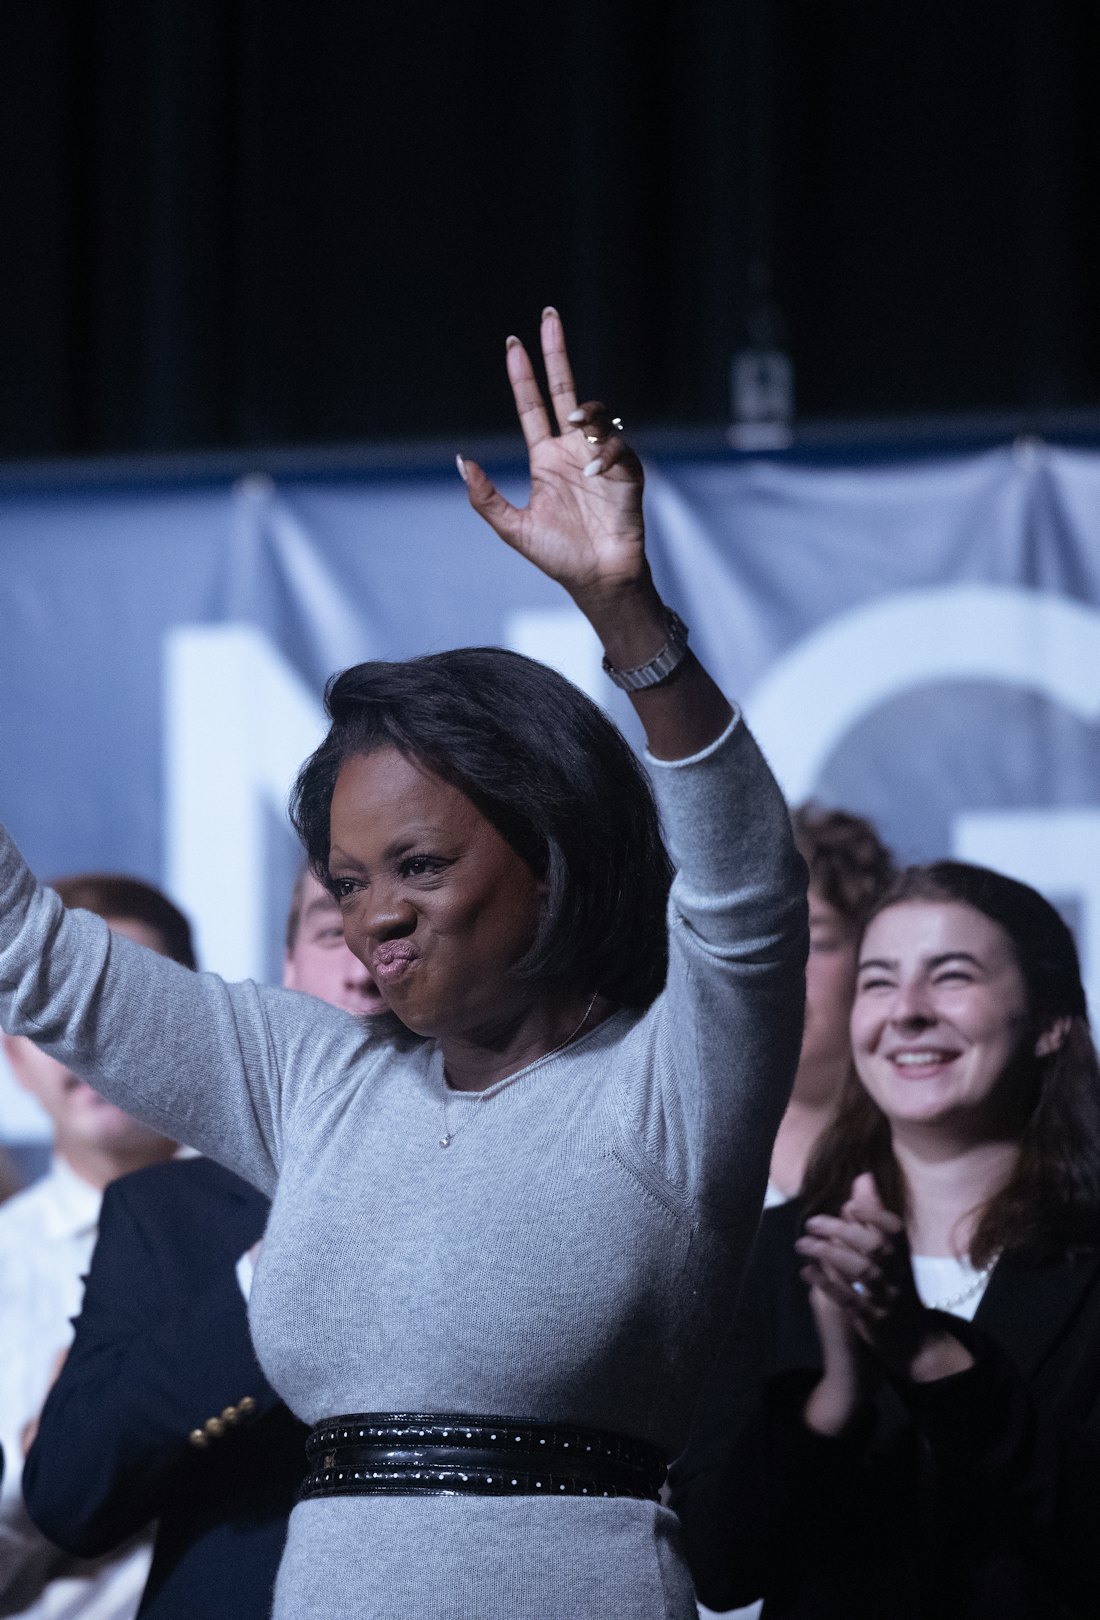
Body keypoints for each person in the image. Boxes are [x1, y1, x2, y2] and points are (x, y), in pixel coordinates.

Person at [0, 308, 808, 1620]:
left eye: (421, 868)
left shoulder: (672, 1085)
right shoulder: (319, 1084)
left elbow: (748, 893)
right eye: (349, 881)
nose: (377, 916)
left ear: (551, 854)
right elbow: (35, 959)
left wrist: (629, 621)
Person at [670, 860, 1100, 1619]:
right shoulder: (765, 1257)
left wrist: (927, 1356)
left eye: (952, 976)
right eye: (878, 981)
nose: (906, 1012)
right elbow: (720, 1564)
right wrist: (836, 1400)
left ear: (1050, 1020)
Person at [23, 870, 386, 1620]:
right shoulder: (167, 1215)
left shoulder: (577, 1174)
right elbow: (68, 1493)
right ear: (286, 969)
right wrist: (263, 1280)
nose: (366, 963)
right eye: (332, 929)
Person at [0, 875, 193, 1620]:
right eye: (48, 1007)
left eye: (124, 998)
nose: (87, 1034)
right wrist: (40, 1458)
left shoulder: (286, 1231)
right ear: (15, 1055)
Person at [764, 806, 894, 1208]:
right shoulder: (670, 1156)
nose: (779, 968)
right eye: (755, 938)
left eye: (814, 941)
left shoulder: (922, 1161)